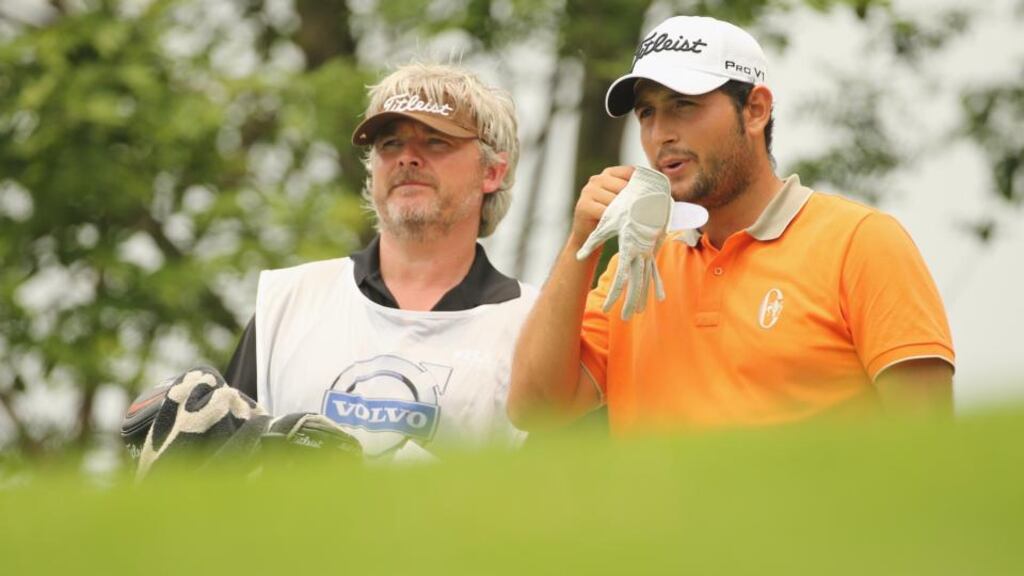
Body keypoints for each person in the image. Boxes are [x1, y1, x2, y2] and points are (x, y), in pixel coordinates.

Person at [507, 15, 955, 433]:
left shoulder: (862, 241)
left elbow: (928, 449)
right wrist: (578, 245)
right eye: (646, 113)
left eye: (683, 105)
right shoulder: (638, 263)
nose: (660, 133)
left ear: (755, 110)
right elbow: (535, 409)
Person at [224, 62, 536, 459]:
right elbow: (226, 482)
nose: (407, 158)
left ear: (492, 171)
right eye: (389, 144)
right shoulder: (287, 301)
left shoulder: (533, 322)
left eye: (436, 141)